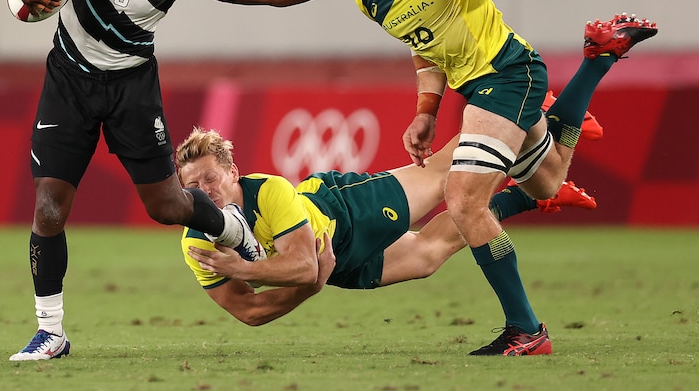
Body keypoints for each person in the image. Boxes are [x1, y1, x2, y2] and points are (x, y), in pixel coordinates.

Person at [0, 0, 375, 361]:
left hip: (133, 88)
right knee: (48, 208)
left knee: (167, 208)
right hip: (68, 83)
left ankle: (231, 227)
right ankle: (51, 331)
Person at [314, 0, 658, 356]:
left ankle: (526, 330)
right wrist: (425, 111)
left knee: (463, 201)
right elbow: (425, 48)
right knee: (549, 184)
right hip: (477, 88)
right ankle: (596, 62)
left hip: (508, 73)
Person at [176, 127, 596, 328]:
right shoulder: (195, 242)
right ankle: (529, 196)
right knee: (429, 255)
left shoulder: (268, 190)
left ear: (233, 172)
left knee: (437, 178)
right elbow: (250, 311)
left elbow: (303, 265)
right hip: (337, 265)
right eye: (192, 187)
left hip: (345, 210)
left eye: (210, 178)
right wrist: (310, 286)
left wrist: (245, 270)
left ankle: (521, 113)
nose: (204, 192)